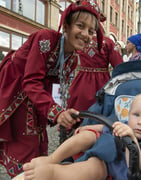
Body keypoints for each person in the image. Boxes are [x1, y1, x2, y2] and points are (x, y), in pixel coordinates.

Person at [0, 0, 104, 177]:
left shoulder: (73, 59)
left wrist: (62, 112)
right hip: (15, 86)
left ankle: (37, 172)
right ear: (66, 26)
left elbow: (57, 89)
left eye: (91, 31)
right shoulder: (45, 38)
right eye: (80, 26)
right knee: (25, 141)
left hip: (36, 96)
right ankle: (25, 174)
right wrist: (56, 112)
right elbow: (31, 80)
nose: (86, 34)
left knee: (39, 137)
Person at [21, 92, 141, 180]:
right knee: (88, 136)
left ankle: (54, 173)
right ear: (129, 115)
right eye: (136, 115)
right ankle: (52, 159)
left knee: (95, 167)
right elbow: (106, 126)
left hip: (111, 168)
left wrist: (132, 139)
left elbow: (139, 164)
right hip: (103, 146)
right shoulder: (124, 123)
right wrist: (89, 127)